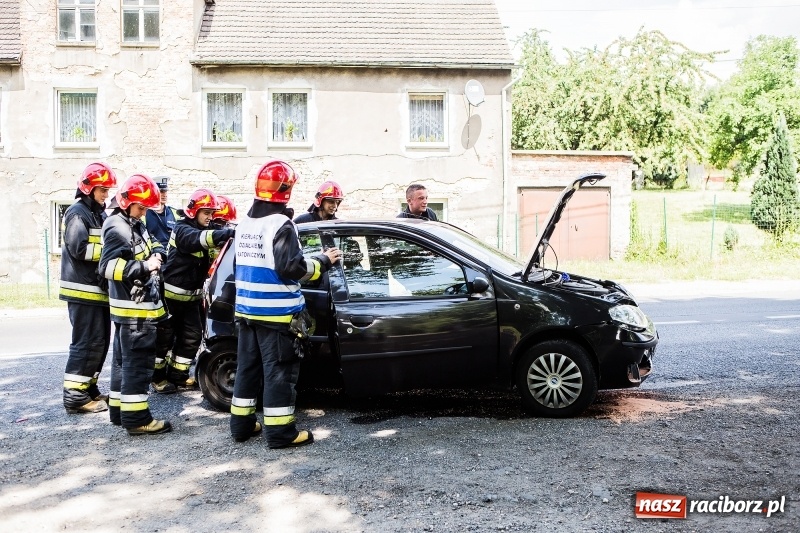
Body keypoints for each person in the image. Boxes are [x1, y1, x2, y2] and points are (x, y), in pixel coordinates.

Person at [230, 160, 341, 447]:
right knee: (279, 373)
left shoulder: (245, 224)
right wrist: (322, 263)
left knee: (247, 370)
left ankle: (241, 426)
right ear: (286, 190)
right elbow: (292, 268)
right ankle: (280, 434)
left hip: (246, 312)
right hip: (276, 315)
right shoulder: (281, 224)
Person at [100, 173, 172, 435]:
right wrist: (145, 265)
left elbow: (154, 244)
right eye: (141, 208)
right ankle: (138, 419)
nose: (143, 213)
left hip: (134, 308)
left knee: (123, 363)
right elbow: (107, 267)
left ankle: (121, 413)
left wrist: (157, 255)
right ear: (126, 202)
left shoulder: (134, 223)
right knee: (138, 365)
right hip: (134, 310)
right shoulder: (117, 226)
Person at [151, 189, 234, 393]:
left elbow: (215, 233)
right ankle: (157, 378)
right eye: (206, 212)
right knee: (165, 340)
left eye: (211, 213)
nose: (209, 217)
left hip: (192, 297)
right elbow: (200, 239)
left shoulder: (204, 227)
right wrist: (228, 233)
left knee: (192, 337)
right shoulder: (182, 230)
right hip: (171, 297)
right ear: (193, 212)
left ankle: (178, 376)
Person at [60, 162, 118, 414]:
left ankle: (88, 388)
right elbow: (79, 248)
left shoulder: (96, 212)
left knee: (99, 342)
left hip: (96, 291)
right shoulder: (77, 212)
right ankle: (75, 397)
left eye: (107, 190)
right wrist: (112, 251)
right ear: (88, 189)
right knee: (86, 343)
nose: (106, 195)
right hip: (82, 291)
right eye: (102, 190)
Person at [144, 176, 181, 248]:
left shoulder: (174, 213)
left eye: (166, 191)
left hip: (171, 255)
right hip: (154, 254)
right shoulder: (144, 214)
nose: (165, 195)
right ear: (153, 192)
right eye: (161, 191)